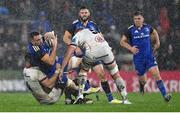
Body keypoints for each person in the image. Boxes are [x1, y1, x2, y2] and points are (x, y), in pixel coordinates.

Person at [60, 29, 132, 104]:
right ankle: (125, 99)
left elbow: (70, 51)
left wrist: (63, 67)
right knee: (115, 74)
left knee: (83, 71)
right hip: (107, 50)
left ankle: (80, 96)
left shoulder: (77, 35)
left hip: (93, 52)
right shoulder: (93, 31)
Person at [120, 11, 171, 102]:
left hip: (149, 57)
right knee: (143, 80)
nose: (137, 20)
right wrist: (131, 48)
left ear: (143, 19)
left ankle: (165, 95)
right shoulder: (130, 30)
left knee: (157, 75)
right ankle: (142, 86)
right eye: (135, 19)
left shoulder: (147, 27)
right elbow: (122, 42)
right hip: (138, 59)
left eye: (139, 18)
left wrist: (158, 42)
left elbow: (154, 32)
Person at [23, 31, 77, 104]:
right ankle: (77, 93)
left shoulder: (39, 42)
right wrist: (55, 46)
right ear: (32, 41)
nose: (40, 41)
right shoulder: (36, 50)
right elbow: (50, 62)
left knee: (74, 58)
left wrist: (50, 34)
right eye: (38, 40)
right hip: (49, 72)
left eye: (40, 39)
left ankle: (75, 94)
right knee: (63, 80)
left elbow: (48, 35)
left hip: (49, 67)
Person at [63, 6, 102, 103]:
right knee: (73, 74)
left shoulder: (93, 25)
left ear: (89, 14)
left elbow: (101, 38)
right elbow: (65, 38)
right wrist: (75, 47)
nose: (84, 14)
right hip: (77, 54)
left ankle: (79, 97)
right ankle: (72, 97)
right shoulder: (75, 25)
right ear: (79, 14)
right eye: (82, 13)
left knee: (84, 76)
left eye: (86, 12)